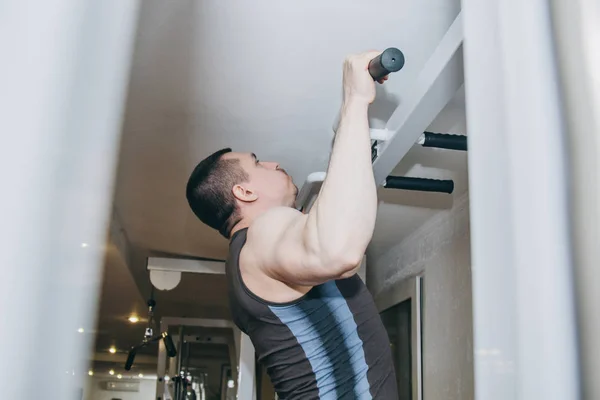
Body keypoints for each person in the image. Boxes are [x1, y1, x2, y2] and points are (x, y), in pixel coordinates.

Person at [186, 51, 398, 399]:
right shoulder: (262, 234)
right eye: (257, 163)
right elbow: (339, 251)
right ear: (244, 190)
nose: (272, 163)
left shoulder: (246, 261)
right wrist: (355, 100)